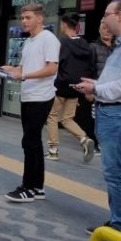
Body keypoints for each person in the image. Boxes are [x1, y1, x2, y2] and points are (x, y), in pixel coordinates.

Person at [75, 0, 121, 234]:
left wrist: (96, 90)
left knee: (114, 172)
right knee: (113, 171)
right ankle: (119, 220)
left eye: (107, 14)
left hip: (118, 113)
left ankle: (119, 224)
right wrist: (96, 84)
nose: (104, 19)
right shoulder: (120, 45)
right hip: (113, 111)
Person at [1, 3, 60, 203]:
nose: (24, 21)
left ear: (40, 18)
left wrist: (25, 75)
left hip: (41, 96)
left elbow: (52, 69)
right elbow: (21, 69)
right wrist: (10, 70)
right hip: (28, 95)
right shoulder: (29, 42)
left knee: (30, 141)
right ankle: (38, 187)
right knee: (33, 143)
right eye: (23, 18)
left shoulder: (49, 39)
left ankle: (28, 187)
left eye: (28, 17)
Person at [44, 13, 96, 162]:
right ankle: (84, 139)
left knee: (52, 116)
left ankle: (53, 150)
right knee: (67, 119)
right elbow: (90, 66)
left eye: (61, 24)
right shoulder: (85, 44)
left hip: (60, 86)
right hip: (77, 87)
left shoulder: (62, 42)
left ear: (65, 24)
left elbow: (54, 63)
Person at [82, 20, 116, 155]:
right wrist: (89, 90)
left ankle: (108, 143)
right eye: (103, 27)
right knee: (95, 117)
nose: (107, 30)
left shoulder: (119, 48)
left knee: (111, 116)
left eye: (109, 28)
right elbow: (88, 68)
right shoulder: (92, 47)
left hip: (114, 89)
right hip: (97, 87)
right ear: (99, 29)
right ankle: (95, 144)